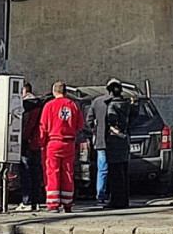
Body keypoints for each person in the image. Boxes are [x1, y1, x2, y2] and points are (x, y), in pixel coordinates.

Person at [39, 81, 84, 213]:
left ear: (54, 91)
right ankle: (67, 202)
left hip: (53, 143)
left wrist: (41, 143)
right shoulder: (73, 105)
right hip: (69, 143)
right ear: (65, 92)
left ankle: (53, 203)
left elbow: (43, 127)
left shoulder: (49, 106)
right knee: (68, 172)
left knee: (52, 172)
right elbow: (80, 125)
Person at [16, 82, 44, 212]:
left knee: (25, 172)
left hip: (27, 143)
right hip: (37, 143)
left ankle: (27, 201)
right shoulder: (40, 104)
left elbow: (25, 125)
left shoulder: (27, 105)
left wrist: (22, 139)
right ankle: (36, 201)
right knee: (36, 172)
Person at [104, 78, 131, 209]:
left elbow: (112, 122)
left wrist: (111, 129)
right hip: (125, 140)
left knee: (115, 174)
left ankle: (116, 200)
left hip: (114, 141)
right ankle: (124, 200)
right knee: (123, 172)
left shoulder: (111, 105)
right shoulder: (126, 104)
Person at [86, 86, 111, 205]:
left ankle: (101, 195)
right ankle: (114, 193)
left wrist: (96, 131)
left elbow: (89, 120)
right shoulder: (120, 101)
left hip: (101, 141)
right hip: (117, 142)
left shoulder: (97, 102)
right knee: (118, 169)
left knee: (102, 169)